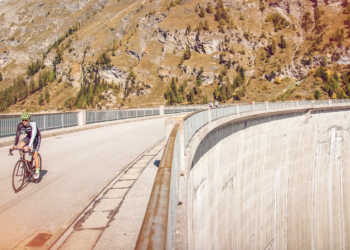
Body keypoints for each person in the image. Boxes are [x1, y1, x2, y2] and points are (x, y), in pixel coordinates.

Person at [11, 112, 41, 179]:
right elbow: (17, 135)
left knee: (34, 155)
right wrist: (15, 145)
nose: (24, 121)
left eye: (26, 120)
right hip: (28, 137)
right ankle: (24, 161)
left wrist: (29, 145)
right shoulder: (20, 125)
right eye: (23, 120)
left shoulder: (33, 124)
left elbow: (33, 135)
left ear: (29, 120)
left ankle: (37, 171)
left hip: (36, 137)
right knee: (20, 146)